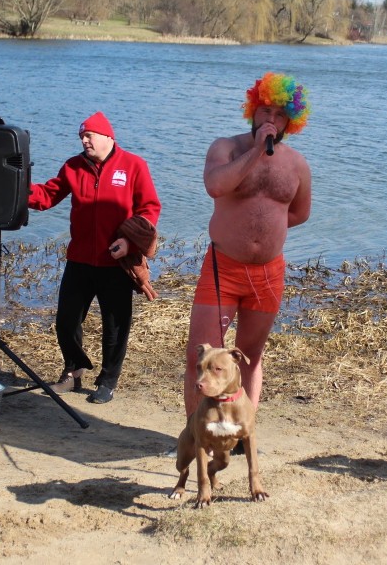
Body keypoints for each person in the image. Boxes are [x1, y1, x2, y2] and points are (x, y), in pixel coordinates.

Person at [182, 72, 312, 444]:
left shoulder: (298, 164)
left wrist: (265, 232)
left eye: (280, 115)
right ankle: (197, 436)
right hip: (223, 268)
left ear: (292, 121)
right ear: (252, 112)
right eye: (265, 111)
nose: (271, 120)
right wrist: (257, 150)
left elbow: (300, 213)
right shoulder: (227, 148)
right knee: (201, 356)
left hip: (269, 273)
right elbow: (215, 186)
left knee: (250, 356)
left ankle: (242, 434)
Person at [28, 111, 161, 404]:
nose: (85, 141)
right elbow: (47, 196)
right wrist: (18, 188)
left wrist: (128, 242)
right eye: (82, 137)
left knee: (115, 326)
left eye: (89, 135)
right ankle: (73, 371)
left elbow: (149, 209)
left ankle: (108, 380)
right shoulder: (73, 167)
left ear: (107, 137)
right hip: (80, 259)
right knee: (66, 321)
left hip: (115, 263)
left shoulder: (134, 165)